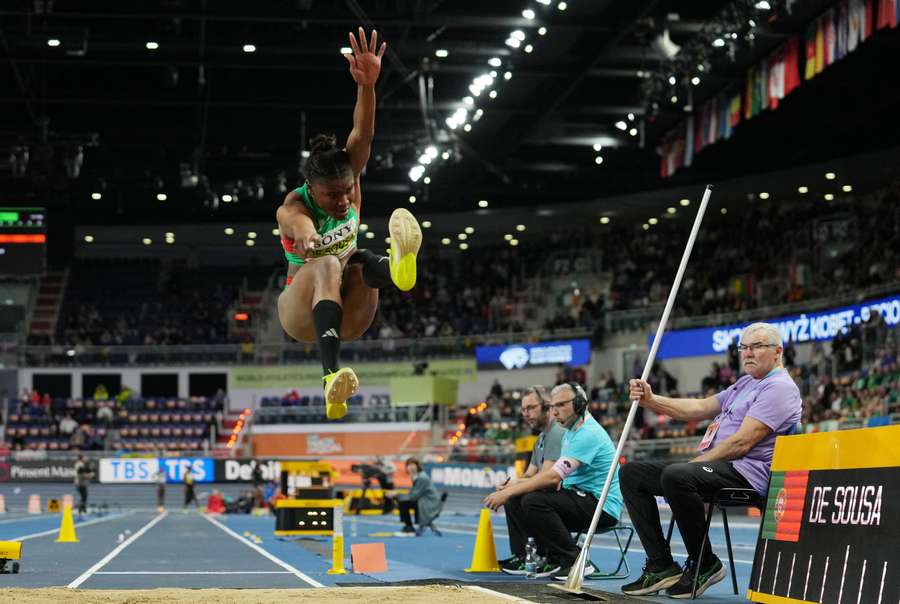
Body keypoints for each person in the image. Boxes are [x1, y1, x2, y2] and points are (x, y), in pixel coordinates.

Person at [276, 27, 422, 421]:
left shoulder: (349, 182)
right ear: (311, 188)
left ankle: (399, 270)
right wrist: (307, 237)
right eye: (332, 196)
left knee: (355, 257)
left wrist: (368, 85)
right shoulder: (293, 205)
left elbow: (364, 132)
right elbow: (298, 225)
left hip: (351, 312)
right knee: (326, 263)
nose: (343, 201)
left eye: (346, 191)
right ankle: (330, 379)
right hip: (301, 314)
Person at [619, 322, 801, 598]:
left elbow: (742, 443)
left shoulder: (779, 388)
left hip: (746, 475)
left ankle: (704, 563)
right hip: (719, 467)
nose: (747, 353)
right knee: (632, 474)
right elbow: (701, 407)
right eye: (744, 348)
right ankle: (662, 565)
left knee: (677, 475)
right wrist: (651, 399)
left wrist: (693, 464)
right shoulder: (746, 383)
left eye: (756, 347)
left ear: (777, 351)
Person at [484, 383, 623, 581]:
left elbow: (553, 476)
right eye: (552, 406)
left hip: (602, 506)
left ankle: (575, 560)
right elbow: (550, 477)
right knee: (520, 498)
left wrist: (507, 491)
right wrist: (513, 490)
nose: (555, 411)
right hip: (582, 498)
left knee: (533, 500)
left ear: (579, 404)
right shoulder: (570, 431)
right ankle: (544, 556)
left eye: (561, 405)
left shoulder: (587, 433)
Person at [486, 386, 566, 575]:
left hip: (563, 497)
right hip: (551, 497)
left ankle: (536, 553)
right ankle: (523, 554)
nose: (526, 414)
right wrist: (508, 486)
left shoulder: (556, 432)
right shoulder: (539, 439)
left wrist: (512, 489)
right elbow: (530, 475)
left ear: (546, 406)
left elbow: (547, 478)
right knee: (513, 496)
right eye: (523, 409)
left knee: (519, 496)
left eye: (531, 408)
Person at [397, 457, 442, 536]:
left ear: (417, 466)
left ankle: (409, 527)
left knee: (402, 502)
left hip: (429, 504)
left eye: (412, 465)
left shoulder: (421, 477)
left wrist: (397, 495)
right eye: (408, 465)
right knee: (403, 500)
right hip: (425, 501)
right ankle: (410, 525)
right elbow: (413, 493)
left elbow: (414, 496)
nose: (410, 467)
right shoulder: (416, 476)